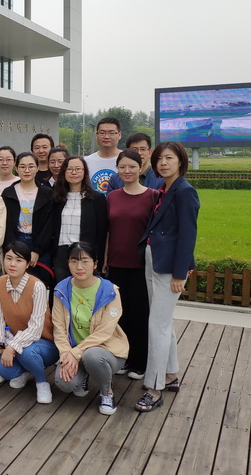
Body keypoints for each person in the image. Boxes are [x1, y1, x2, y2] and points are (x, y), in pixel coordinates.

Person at [136, 141, 199, 412]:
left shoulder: (185, 191)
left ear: (180, 161)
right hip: (155, 259)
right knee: (163, 322)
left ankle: (155, 388)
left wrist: (179, 273)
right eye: (160, 159)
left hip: (169, 268)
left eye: (169, 158)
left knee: (157, 326)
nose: (163, 163)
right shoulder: (165, 189)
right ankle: (170, 374)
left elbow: (188, 235)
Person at [53, 242, 129, 415]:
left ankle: (107, 392)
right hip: (75, 351)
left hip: (106, 351)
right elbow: (59, 327)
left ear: (95, 264)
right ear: (68, 263)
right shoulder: (61, 289)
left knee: (92, 356)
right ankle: (84, 376)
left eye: (85, 261)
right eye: (74, 261)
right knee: (65, 383)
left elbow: (104, 331)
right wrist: (66, 354)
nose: (79, 267)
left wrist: (76, 352)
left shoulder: (110, 291)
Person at [105, 149, 160, 380]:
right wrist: (105, 259)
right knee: (119, 315)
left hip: (141, 266)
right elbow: (107, 231)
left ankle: (140, 362)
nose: (127, 171)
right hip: (116, 264)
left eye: (132, 166)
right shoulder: (112, 197)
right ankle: (124, 357)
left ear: (141, 167)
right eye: (122, 167)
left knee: (140, 315)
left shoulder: (153, 196)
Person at [0, 241, 58, 403]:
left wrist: (12, 347)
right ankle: (27, 370)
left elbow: (36, 328)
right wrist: (0, 344)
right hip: (16, 340)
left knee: (27, 352)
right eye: (9, 258)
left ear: (27, 264)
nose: (12, 264)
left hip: (44, 343)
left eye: (19, 260)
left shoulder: (37, 286)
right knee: (4, 370)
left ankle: (41, 382)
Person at [50, 156, 107, 282]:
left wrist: (102, 259)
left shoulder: (96, 198)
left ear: (84, 172)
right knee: (63, 288)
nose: (74, 172)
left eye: (78, 169)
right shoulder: (57, 197)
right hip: (62, 253)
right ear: (64, 172)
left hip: (86, 253)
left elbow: (102, 232)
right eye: (70, 169)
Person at [2, 152, 53, 270]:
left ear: (37, 168)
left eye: (31, 166)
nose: (27, 170)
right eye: (22, 167)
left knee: (40, 278)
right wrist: (12, 247)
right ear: (16, 168)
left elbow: (48, 225)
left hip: (39, 244)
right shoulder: (8, 193)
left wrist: (37, 250)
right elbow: (6, 223)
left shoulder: (47, 193)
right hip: (16, 239)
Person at [84, 117, 122, 195]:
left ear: (119, 135)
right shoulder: (86, 161)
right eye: (102, 133)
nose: (106, 137)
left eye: (111, 133)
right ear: (96, 135)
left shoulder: (128, 160)